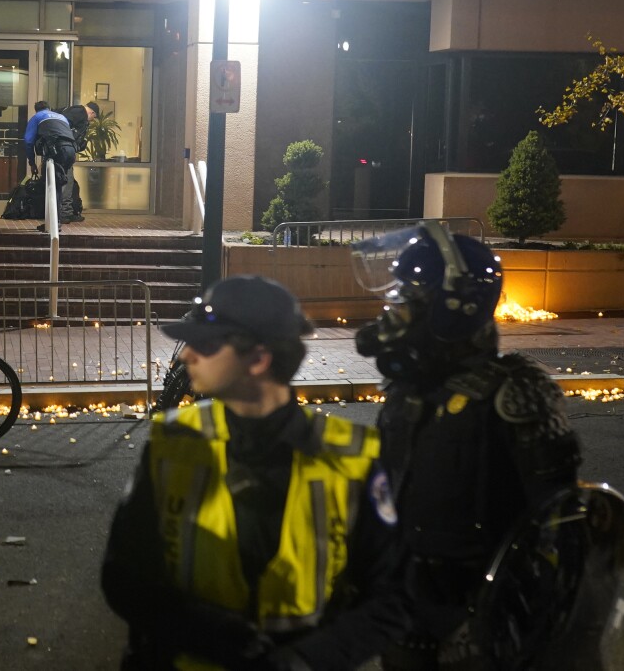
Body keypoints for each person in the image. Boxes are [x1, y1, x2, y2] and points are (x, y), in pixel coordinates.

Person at [103, 275, 406, 670]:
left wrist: (304, 660)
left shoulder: (354, 457)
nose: (185, 355)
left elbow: (391, 598)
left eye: (206, 344)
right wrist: (213, 634)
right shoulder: (172, 442)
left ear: (259, 359)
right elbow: (124, 576)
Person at [350, 222, 582, 670]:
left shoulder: (516, 392)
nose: (392, 315)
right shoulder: (408, 389)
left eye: (407, 302)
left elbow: (564, 531)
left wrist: (515, 624)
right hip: (404, 620)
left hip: (482, 631)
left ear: (455, 308)